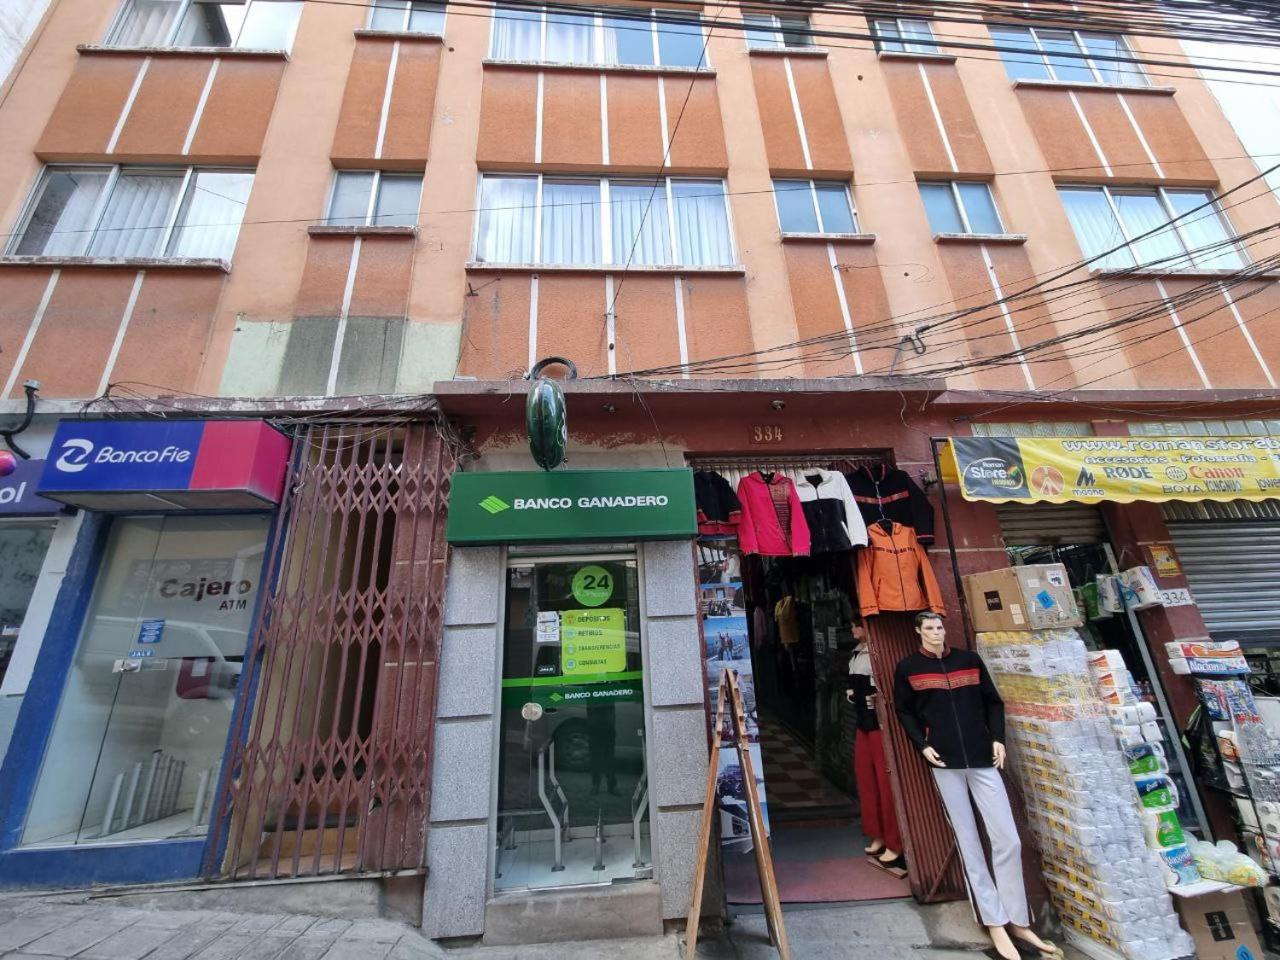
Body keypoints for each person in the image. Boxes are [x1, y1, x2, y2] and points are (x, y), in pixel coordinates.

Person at [893, 612, 1062, 960]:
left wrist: (997, 738)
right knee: (968, 841)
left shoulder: (968, 661)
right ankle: (993, 920)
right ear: (918, 632)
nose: (937, 633)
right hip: (945, 762)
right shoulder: (909, 668)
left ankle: (1018, 919)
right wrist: (922, 745)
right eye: (930, 628)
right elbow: (904, 711)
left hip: (983, 758)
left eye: (940, 627)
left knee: (1008, 839)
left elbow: (993, 701)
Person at [846, 620, 905, 877]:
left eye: (855, 625)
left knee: (885, 783)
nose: (852, 630)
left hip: (879, 726)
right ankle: (877, 833)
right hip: (863, 724)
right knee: (866, 780)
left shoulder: (879, 654)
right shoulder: (856, 654)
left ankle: (895, 841)